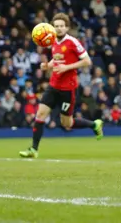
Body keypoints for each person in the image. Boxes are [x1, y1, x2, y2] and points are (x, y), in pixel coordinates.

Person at [19, 13, 103, 159]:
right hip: (53, 86)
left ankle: (94, 125)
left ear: (67, 27)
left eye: (61, 26)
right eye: (56, 26)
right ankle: (33, 149)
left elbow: (87, 61)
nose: (58, 29)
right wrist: (47, 65)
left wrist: (67, 68)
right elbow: (57, 60)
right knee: (40, 114)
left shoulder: (73, 42)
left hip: (68, 89)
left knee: (67, 123)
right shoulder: (53, 42)